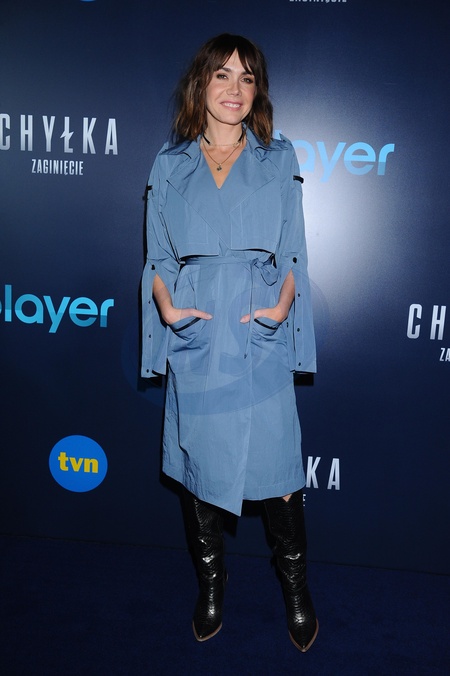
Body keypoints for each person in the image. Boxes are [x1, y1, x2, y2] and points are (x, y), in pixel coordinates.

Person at [141, 33, 318, 652]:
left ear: (257, 91)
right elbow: (158, 256)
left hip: (257, 327)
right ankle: (211, 587)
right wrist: (168, 307)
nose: (235, 89)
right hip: (198, 332)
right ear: (202, 84)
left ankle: (296, 589)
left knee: (280, 471)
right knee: (200, 471)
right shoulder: (170, 164)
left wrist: (283, 306)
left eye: (247, 78)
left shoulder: (278, 158)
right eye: (223, 74)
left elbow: (293, 251)